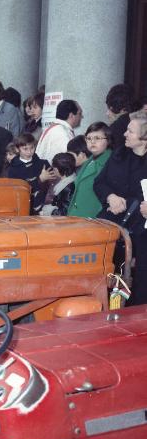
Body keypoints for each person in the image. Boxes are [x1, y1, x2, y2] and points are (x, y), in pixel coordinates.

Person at [93, 111, 147, 305]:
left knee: (139, 283)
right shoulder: (118, 155)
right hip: (113, 227)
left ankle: (134, 318)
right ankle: (111, 310)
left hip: (141, 233)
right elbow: (99, 183)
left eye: (130, 131)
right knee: (112, 276)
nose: (124, 134)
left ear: (144, 138)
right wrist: (110, 197)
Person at [67, 122, 113, 218]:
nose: (92, 142)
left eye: (97, 138)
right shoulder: (90, 160)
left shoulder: (111, 162)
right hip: (77, 217)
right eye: (89, 138)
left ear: (108, 140)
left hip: (93, 220)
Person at [7, 133, 53, 213]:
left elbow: (53, 186)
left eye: (32, 148)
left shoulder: (43, 164)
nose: (29, 152)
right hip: (24, 208)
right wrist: (40, 179)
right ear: (17, 149)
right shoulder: (13, 169)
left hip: (44, 208)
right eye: (25, 149)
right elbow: (19, 191)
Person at [36, 99, 83, 164]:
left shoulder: (56, 128)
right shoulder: (62, 132)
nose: (81, 117)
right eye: (79, 113)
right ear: (71, 115)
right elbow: (69, 160)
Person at [106, 83, 134, 150]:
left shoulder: (115, 129)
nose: (107, 113)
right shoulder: (140, 123)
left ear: (122, 110)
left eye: (111, 108)